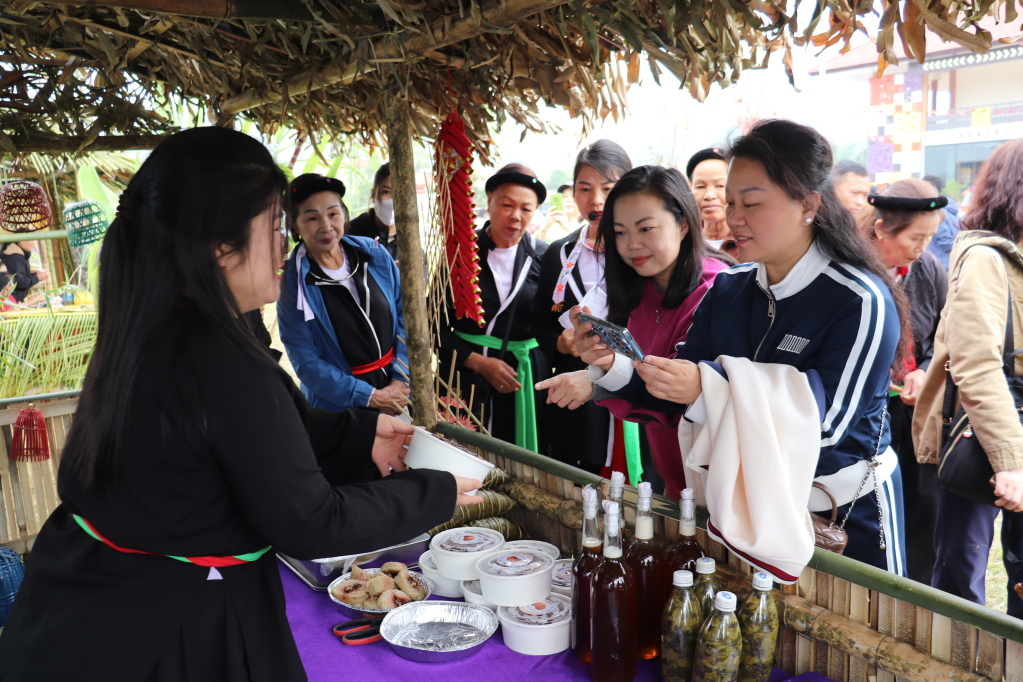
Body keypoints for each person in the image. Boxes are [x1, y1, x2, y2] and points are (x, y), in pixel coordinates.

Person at [0, 127, 482, 681]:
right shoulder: (219, 361)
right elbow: (311, 522)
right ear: (219, 247)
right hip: (171, 629)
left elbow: (238, 437)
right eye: (276, 226)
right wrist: (434, 490)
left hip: (87, 601)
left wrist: (357, 433)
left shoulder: (157, 324)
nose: (285, 245)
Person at [578, 120, 909, 573]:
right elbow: (680, 391)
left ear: (808, 204)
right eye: (731, 202)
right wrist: (612, 366)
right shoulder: (730, 288)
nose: (734, 218)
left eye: (751, 203)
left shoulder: (859, 300)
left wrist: (706, 384)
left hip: (842, 512)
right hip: (739, 504)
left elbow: (827, 428)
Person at [536, 165, 732, 498]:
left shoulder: (716, 289)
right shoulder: (639, 289)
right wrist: (599, 358)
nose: (632, 245)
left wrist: (599, 373)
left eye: (646, 228)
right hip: (672, 470)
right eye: (620, 232)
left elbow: (674, 388)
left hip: (717, 478)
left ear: (684, 223)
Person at [913, 137, 1023, 615]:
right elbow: (977, 364)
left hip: (1005, 435)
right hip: (980, 435)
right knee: (962, 577)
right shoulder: (984, 257)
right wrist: (1010, 460)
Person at [861, 179, 948, 585]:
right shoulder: (852, 271)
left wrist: (923, 369)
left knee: (922, 503)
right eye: (916, 237)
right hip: (866, 414)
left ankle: (916, 589)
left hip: (915, 412)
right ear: (879, 229)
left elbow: (944, 335)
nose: (923, 247)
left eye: (930, 237)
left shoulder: (927, 269)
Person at [532, 140, 633, 475]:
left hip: (629, 387)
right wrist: (561, 342)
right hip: (575, 394)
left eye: (608, 188)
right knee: (577, 478)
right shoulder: (556, 254)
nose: (596, 200)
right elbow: (540, 323)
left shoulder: (639, 253)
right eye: (585, 188)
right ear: (573, 193)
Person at [437, 163, 549, 452]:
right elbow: (432, 326)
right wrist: (478, 362)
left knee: (521, 463)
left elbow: (552, 322)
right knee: (466, 455)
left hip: (524, 377)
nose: (515, 216)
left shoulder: (544, 256)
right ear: (488, 202)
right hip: (464, 377)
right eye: (507, 205)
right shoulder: (459, 252)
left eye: (526, 209)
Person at [278, 173, 411, 415]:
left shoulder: (375, 255)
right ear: (295, 226)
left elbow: (405, 316)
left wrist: (401, 379)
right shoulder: (293, 283)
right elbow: (305, 361)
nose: (326, 226)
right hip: (339, 408)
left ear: (344, 214)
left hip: (396, 395)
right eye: (312, 218)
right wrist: (368, 396)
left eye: (333, 214)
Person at [346, 162, 398, 260]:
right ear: (373, 195)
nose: (393, 201)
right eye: (387, 192)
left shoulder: (412, 243)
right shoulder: (351, 236)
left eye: (401, 194)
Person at [687, 148, 733, 249]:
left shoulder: (751, 243)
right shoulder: (683, 243)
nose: (709, 195)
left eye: (720, 185)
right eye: (700, 187)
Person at [921, 174, 961, 271]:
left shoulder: (936, 211)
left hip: (939, 265)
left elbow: (945, 241)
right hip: (949, 264)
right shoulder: (950, 209)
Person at [0, 238, 49, 303]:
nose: (33, 243)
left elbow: (20, 277)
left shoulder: (18, 256)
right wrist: (37, 277)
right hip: (13, 302)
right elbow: (18, 281)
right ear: (21, 241)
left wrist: (36, 276)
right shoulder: (15, 258)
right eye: (31, 239)